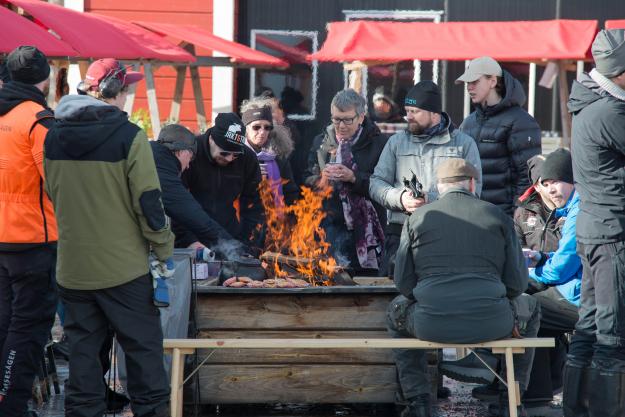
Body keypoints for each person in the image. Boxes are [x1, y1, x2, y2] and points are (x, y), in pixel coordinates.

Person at [44, 58, 174, 417]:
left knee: (84, 356)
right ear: (117, 94)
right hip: (123, 271)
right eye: (127, 90)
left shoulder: (53, 135)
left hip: (73, 268)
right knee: (144, 353)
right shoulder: (130, 137)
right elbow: (149, 204)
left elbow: (53, 193)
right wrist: (164, 246)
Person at [387, 158, 539, 417]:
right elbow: (517, 284)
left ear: (438, 186)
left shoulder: (417, 218)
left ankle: (419, 402)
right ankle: (508, 402)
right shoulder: (498, 216)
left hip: (429, 323)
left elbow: (403, 282)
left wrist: (428, 300)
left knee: (395, 311)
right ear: (471, 183)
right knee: (532, 307)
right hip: (494, 322)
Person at [565, 28, 625, 417]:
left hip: (593, 229)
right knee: (612, 334)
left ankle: (574, 409)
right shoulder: (611, 112)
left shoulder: (590, 105)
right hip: (612, 233)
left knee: (588, 327)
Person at [369, 80, 482, 276]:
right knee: (389, 296)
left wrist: (429, 200)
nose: (408, 117)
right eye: (407, 111)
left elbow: (474, 192)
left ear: (434, 114)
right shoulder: (396, 142)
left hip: (447, 233)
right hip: (400, 233)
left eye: (415, 111)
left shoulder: (464, 144)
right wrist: (401, 198)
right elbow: (376, 183)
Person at [0, 46, 57, 417]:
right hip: (32, 240)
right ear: (44, 79)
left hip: (3, 237)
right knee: (29, 328)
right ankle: (11, 404)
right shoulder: (37, 119)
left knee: (4, 322)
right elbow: (57, 180)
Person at [304, 89, 388, 275]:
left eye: (347, 120)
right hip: (330, 230)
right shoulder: (321, 143)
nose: (340, 126)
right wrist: (322, 178)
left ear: (361, 117)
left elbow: (386, 187)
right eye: (336, 119)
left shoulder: (380, 143)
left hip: (368, 234)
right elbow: (306, 180)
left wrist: (353, 177)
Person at [456, 56, 541, 216]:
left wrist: (516, 219)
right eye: (468, 83)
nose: (469, 88)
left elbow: (527, 177)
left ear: (493, 81)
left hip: (503, 218)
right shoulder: (468, 123)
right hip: (471, 215)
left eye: (474, 81)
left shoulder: (521, 122)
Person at [151, 124, 246, 255]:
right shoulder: (162, 170)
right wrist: (236, 249)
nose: (188, 166)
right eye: (190, 159)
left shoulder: (153, 157)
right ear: (182, 151)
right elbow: (193, 215)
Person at [179, 112, 264, 249]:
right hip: (194, 235)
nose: (230, 158)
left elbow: (254, 204)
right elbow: (176, 203)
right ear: (212, 139)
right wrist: (188, 240)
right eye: (224, 153)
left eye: (235, 155)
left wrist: (245, 240)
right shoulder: (191, 154)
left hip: (229, 234)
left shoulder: (247, 159)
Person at [240, 99, 299, 206]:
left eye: (267, 127)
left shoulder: (278, 156)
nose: (262, 132)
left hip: (275, 218)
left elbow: (291, 193)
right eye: (256, 127)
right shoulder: (235, 155)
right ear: (246, 128)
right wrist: (250, 174)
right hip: (243, 218)